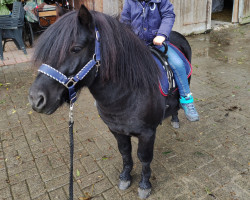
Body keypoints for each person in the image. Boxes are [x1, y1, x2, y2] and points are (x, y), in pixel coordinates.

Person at [120, 0, 199, 122]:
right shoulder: (130, 2)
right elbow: (125, 21)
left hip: (158, 43)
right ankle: (110, 97)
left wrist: (162, 34)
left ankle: (186, 99)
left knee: (178, 64)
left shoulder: (160, 1)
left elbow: (168, 15)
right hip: (137, 44)